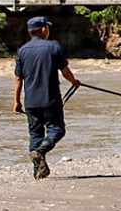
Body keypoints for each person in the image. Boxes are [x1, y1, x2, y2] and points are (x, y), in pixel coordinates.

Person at [14, 16, 80, 180]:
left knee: (35, 134)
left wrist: (16, 101)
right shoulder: (53, 47)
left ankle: (38, 172)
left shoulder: (22, 51)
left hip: (31, 102)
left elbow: (18, 78)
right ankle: (41, 151)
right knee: (57, 130)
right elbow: (65, 71)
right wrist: (75, 82)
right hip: (50, 99)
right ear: (44, 30)